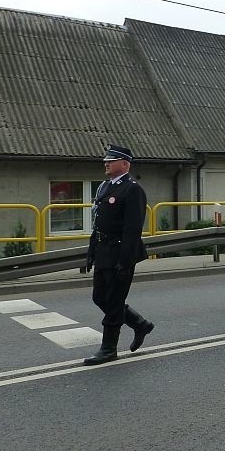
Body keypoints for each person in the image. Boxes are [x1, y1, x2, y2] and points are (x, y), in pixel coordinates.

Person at [84, 144, 153, 366]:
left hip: (120, 252)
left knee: (114, 301)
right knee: (99, 297)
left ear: (125, 164)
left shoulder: (132, 189)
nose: (106, 163)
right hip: (103, 251)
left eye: (111, 160)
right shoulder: (105, 187)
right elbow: (98, 223)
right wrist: (91, 252)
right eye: (106, 160)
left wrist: (125, 261)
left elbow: (133, 229)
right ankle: (139, 323)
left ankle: (109, 348)